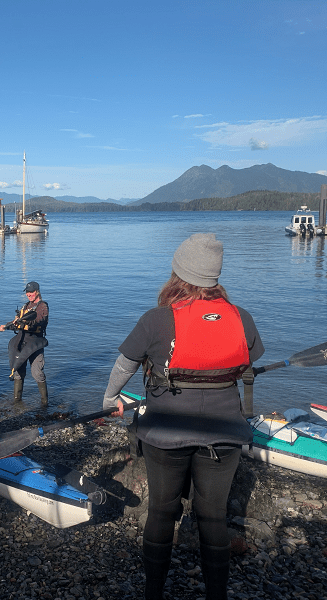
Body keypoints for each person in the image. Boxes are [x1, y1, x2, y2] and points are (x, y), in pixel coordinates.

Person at [102, 233, 264, 600]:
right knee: (213, 516)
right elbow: (245, 363)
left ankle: (154, 593)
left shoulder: (157, 319)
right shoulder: (242, 318)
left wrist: (111, 398)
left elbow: (124, 365)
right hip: (225, 434)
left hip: (165, 433)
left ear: (178, 272)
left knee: (161, 510)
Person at [0, 281, 49, 406]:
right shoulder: (25, 306)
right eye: (27, 292)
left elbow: (39, 321)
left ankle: (45, 404)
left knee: (37, 373)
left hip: (36, 342)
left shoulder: (43, 306)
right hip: (21, 340)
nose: (29, 294)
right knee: (18, 372)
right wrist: (6, 326)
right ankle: (17, 402)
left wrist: (23, 323)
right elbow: (17, 322)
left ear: (37, 291)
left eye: (31, 292)